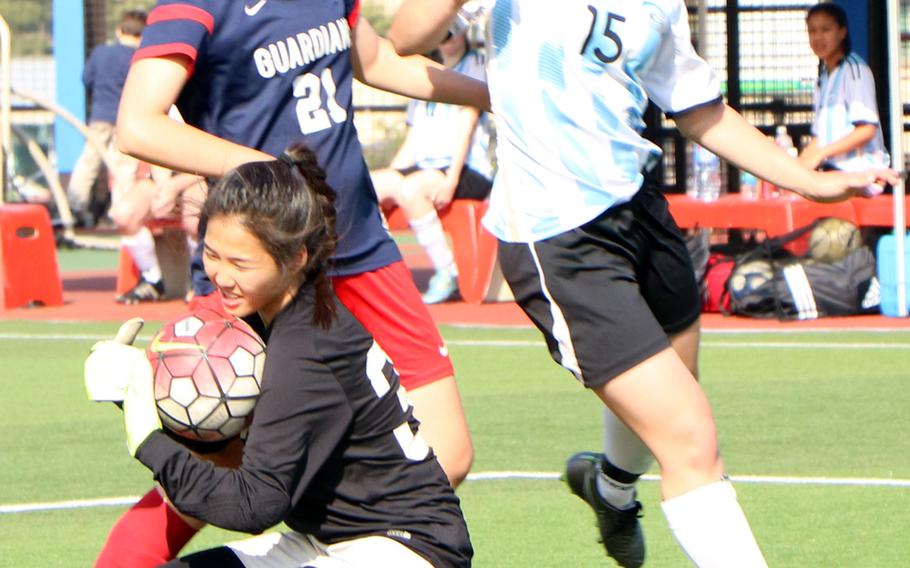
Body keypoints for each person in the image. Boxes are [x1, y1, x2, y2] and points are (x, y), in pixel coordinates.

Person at [388, 2, 897, 567]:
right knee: (690, 438)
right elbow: (407, 36)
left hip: (640, 211)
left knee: (677, 394)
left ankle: (610, 489)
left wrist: (808, 182)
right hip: (559, 239)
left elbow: (701, 110)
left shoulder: (659, 5)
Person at [100, 1, 487, 564]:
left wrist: (496, 96)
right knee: (215, 471)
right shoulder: (196, 4)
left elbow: (376, 60)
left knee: (446, 454)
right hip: (264, 266)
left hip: (359, 246)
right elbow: (137, 125)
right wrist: (274, 179)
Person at [85, 145, 473, 568]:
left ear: (296, 258)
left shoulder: (306, 348)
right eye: (212, 255)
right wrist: (145, 390)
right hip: (327, 539)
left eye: (241, 263)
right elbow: (230, 455)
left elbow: (253, 506)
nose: (222, 276)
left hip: (405, 548)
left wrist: (145, 435)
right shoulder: (273, 316)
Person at [371, 29, 493, 304]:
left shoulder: (475, 65)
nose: (447, 39)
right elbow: (412, 139)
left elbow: (467, 127)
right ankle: (383, 272)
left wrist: (451, 180)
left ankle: (446, 272)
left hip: (466, 170)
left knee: (412, 190)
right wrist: (392, 174)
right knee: (371, 186)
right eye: (442, 34)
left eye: (452, 33)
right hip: (426, 167)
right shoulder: (423, 71)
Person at [66, 10, 147, 228]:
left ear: (119, 31)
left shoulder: (101, 53)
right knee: (124, 166)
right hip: (126, 119)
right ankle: (120, 213)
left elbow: (86, 78)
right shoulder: (139, 58)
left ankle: (74, 206)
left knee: (90, 159)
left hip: (100, 115)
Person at [798, 3, 890, 173]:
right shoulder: (824, 78)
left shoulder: (855, 70)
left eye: (826, 30)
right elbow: (820, 137)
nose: (818, 38)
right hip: (835, 173)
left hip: (864, 176)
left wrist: (821, 154)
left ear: (842, 32)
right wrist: (798, 166)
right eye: (812, 31)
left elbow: (866, 129)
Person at [109, 164, 206, 304]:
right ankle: (152, 279)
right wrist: (162, 190)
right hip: (158, 182)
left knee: (194, 219)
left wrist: (174, 186)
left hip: (197, 178)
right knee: (123, 214)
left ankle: (200, 279)